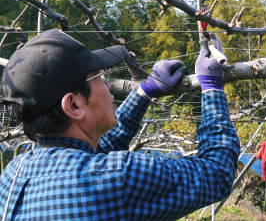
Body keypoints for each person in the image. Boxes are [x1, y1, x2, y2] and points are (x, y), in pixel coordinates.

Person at [0, 29, 240, 220]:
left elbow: (97, 152)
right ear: (73, 106)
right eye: (100, 77)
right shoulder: (120, 176)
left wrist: (143, 94)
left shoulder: (14, 173)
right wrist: (211, 88)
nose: (107, 87)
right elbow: (216, 174)